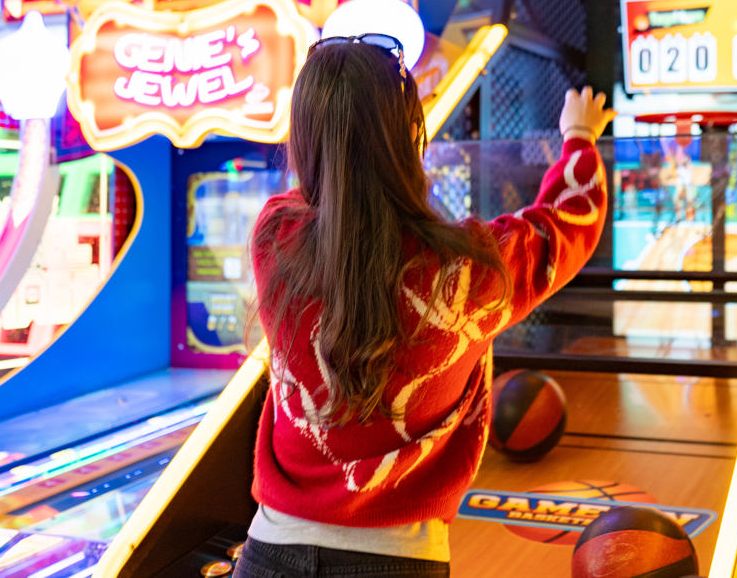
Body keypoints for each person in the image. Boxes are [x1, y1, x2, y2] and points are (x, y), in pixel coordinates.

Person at [236, 34, 615, 577]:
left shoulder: (276, 238)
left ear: (303, 141)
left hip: (270, 550)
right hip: (400, 559)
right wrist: (578, 135)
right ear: (410, 136)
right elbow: (569, 220)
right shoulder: (470, 273)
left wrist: (337, 136)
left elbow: (324, 200)